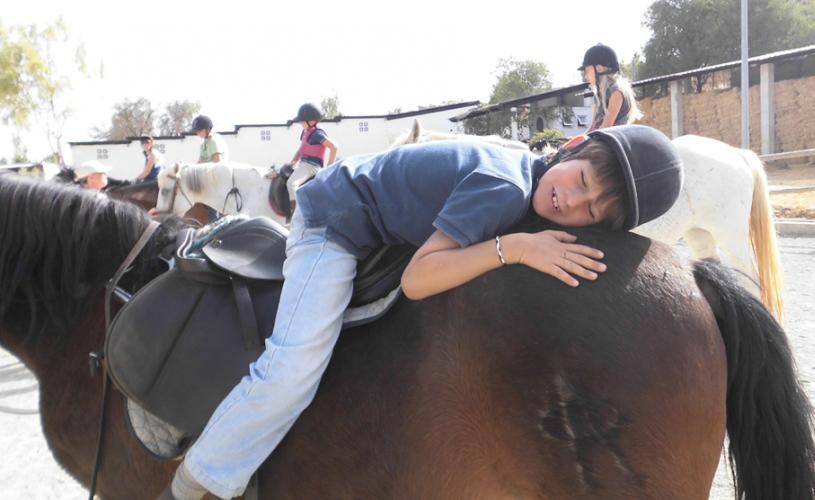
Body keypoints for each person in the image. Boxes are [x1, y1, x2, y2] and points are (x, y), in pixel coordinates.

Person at [159, 125, 684, 500]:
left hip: (380, 214)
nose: (571, 202)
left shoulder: (534, 182)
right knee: (293, 366)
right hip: (334, 222)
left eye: (591, 210)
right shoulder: (503, 187)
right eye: (583, 181)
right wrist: (517, 248)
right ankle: (193, 481)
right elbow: (418, 278)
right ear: (573, 146)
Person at [579, 43, 643, 131]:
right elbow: (592, 128)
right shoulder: (598, 96)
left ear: (599, 69)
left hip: (613, 141)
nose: (586, 76)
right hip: (601, 140)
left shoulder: (617, 92)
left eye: (587, 71)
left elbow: (606, 127)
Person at [285, 103, 338, 202]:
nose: (300, 123)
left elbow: (334, 147)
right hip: (303, 164)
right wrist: (293, 161)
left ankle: (297, 212)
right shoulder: (306, 131)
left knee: (291, 184)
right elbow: (302, 148)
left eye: (302, 121)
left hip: (312, 166)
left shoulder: (317, 134)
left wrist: (329, 169)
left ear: (311, 121)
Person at [190, 115, 227, 221]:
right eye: (196, 131)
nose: (197, 133)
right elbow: (200, 161)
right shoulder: (204, 143)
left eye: (199, 130)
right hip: (208, 177)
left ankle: (214, 222)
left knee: (212, 203)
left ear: (208, 129)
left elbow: (217, 161)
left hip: (216, 178)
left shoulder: (213, 141)